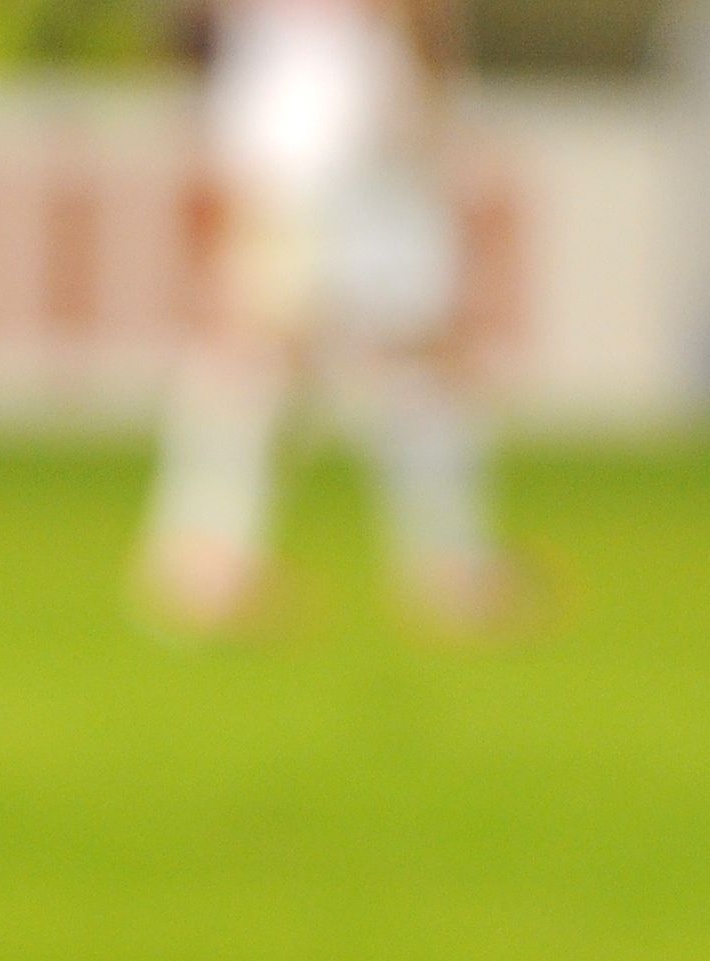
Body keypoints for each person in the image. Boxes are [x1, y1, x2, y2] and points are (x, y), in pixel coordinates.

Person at [136, 0, 509, 636]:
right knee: (266, 341)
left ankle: (447, 563)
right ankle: (204, 559)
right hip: (311, 103)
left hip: (333, 95)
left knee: (395, 342)